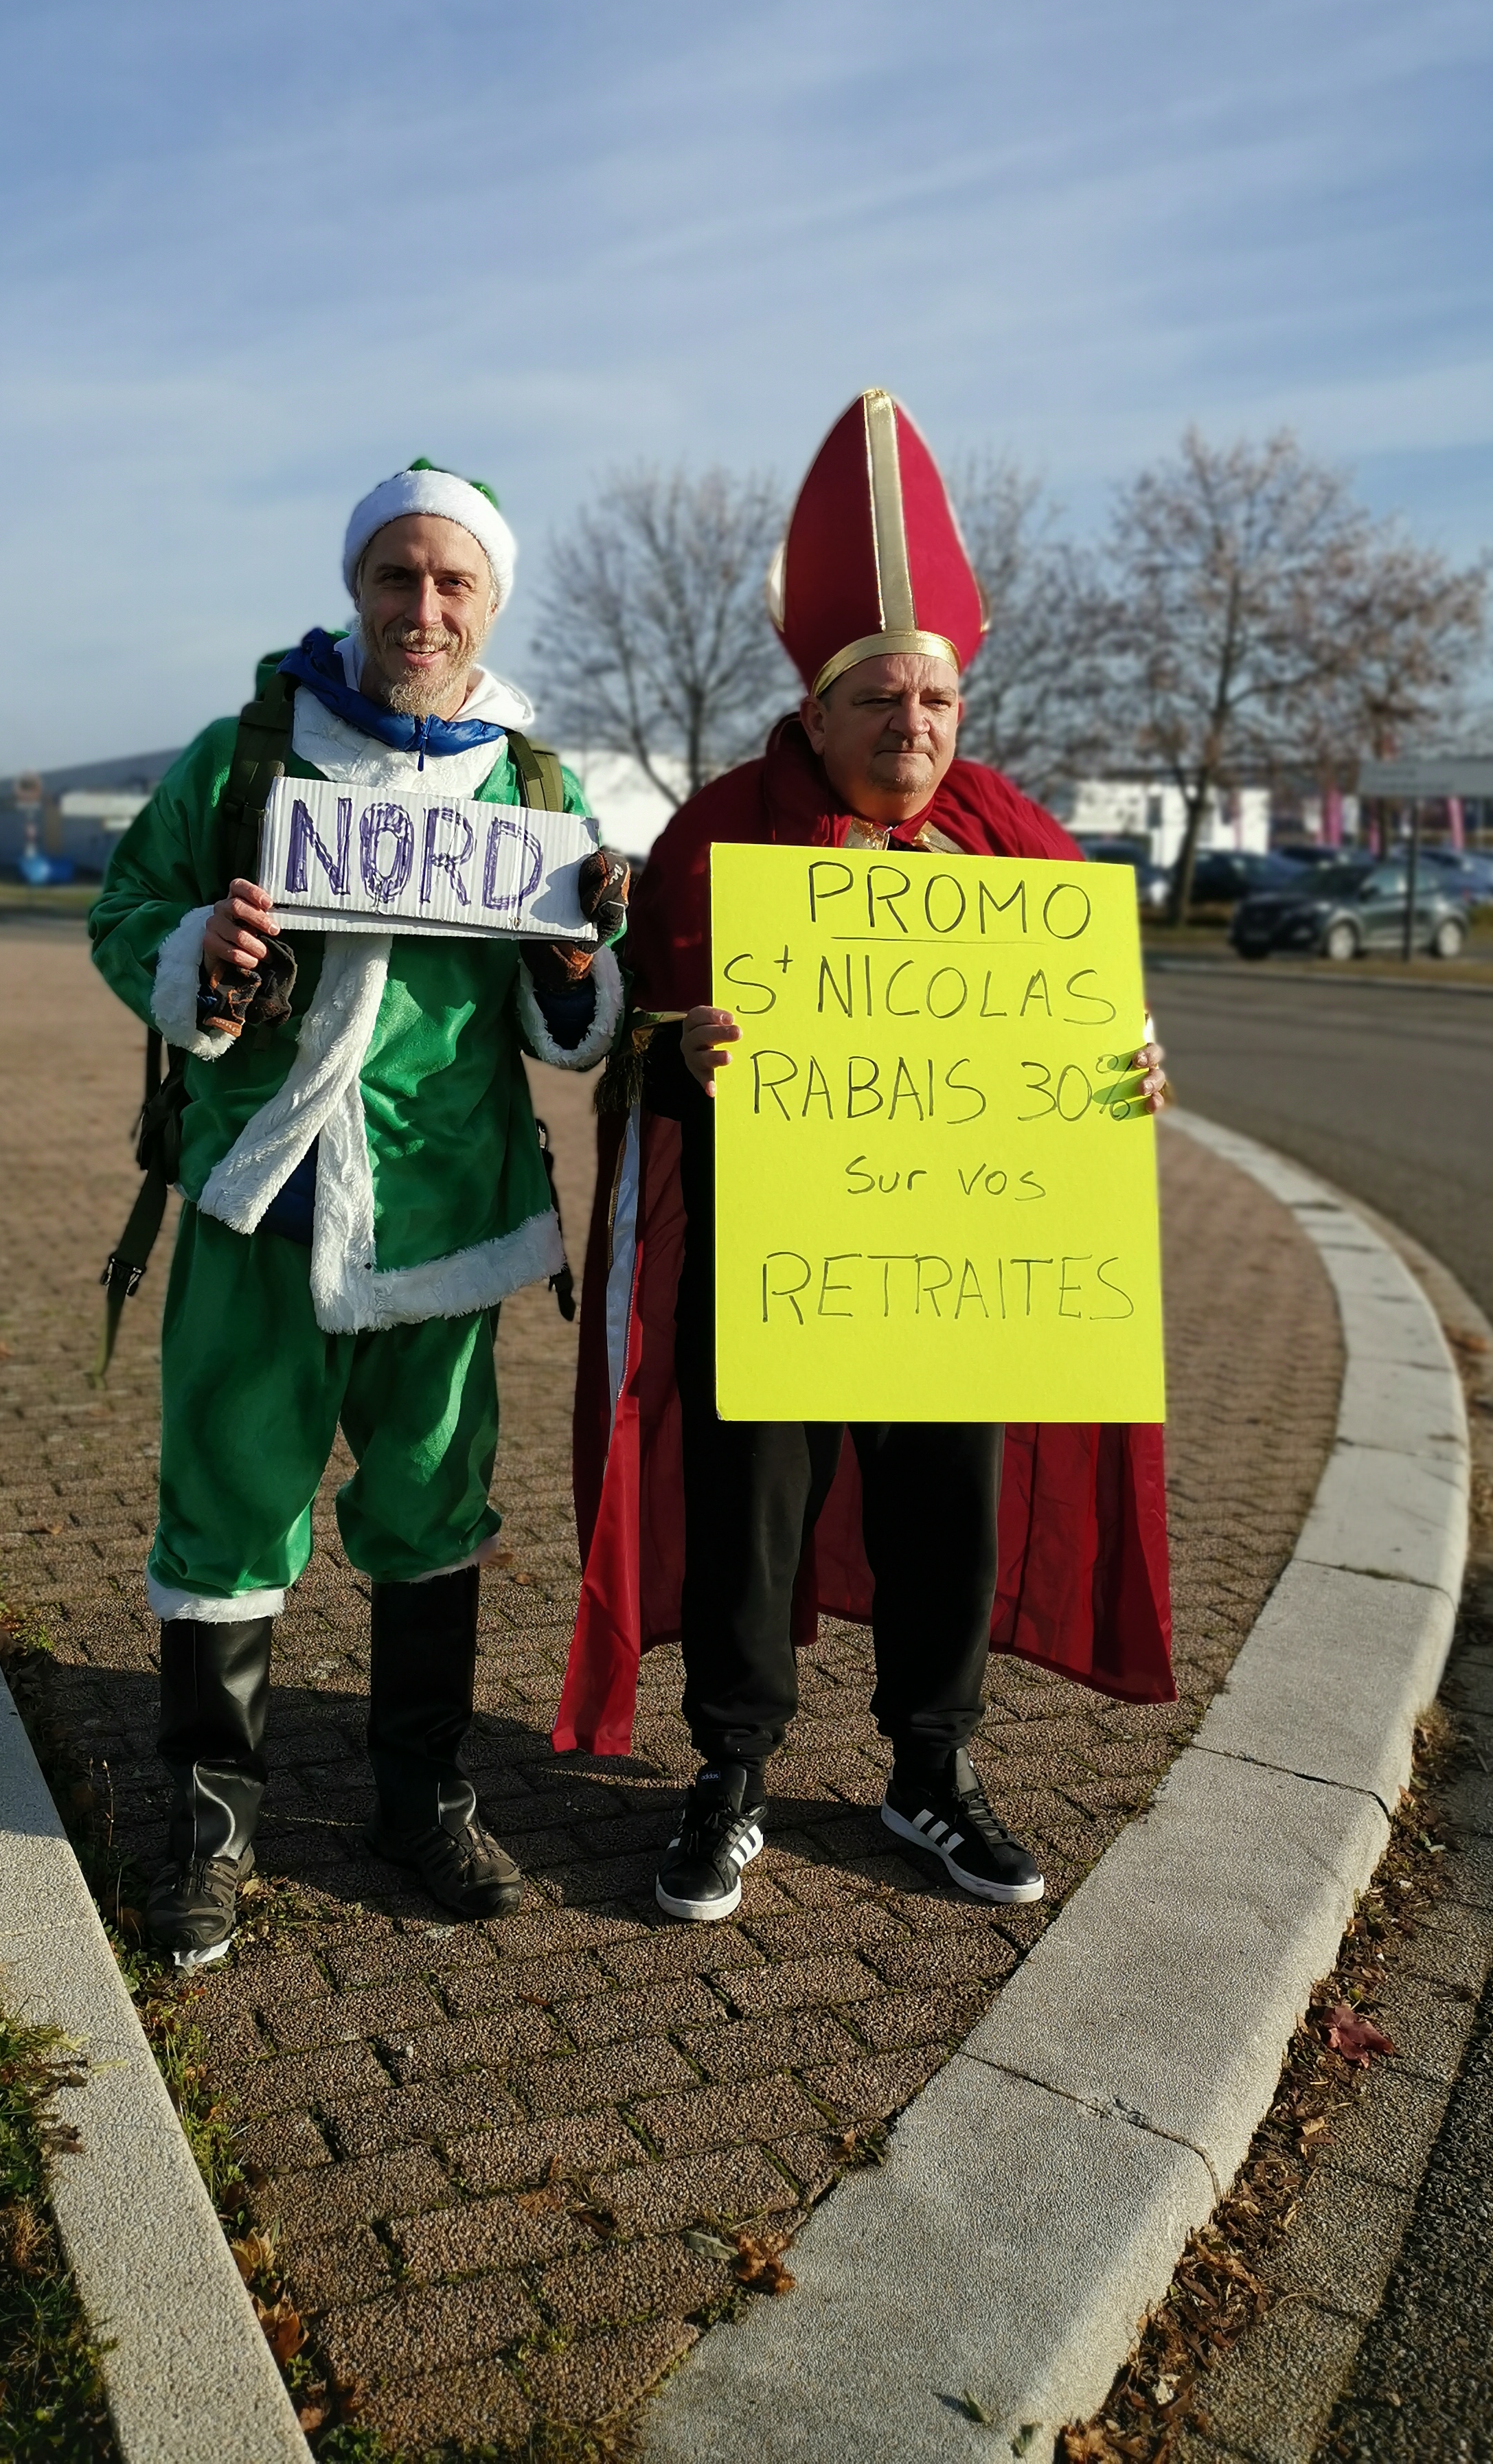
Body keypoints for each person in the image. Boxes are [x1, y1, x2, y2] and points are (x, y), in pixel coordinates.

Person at [554, 389, 1174, 1926]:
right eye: (881, 697)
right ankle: (731, 1773)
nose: (914, 723)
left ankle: (930, 1770)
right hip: (774, 1259)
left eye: (936, 699)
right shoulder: (718, 833)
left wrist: (1129, 1076)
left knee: (946, 1515)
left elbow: (1083, 1037)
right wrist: (678, 1051)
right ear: (817, 712)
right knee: (751, 1516)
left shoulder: (1016, 840)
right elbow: (632, 1046)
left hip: (958, 1263)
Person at [90, 461, 628, 1967]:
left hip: (448, 1211)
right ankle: (210, 1830)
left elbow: (566, 1017)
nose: (423, 607)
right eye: (398, 575)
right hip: (262, 1197)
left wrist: (578, 965)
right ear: (357, 588)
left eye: (454, 581)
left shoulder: (534, 789)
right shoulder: (244, 755)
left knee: (433, 1516)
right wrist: (201, 946)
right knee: (224, 1509)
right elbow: (125, 914)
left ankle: (423, 1801)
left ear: (491, 603)